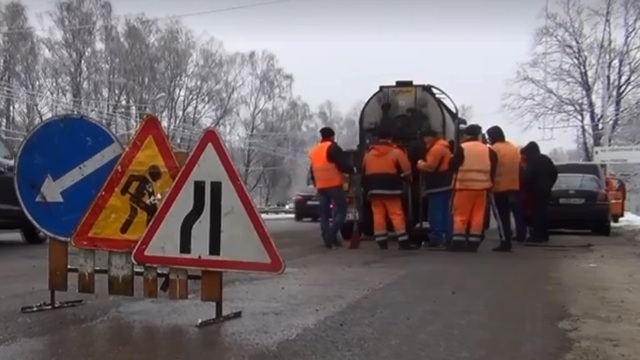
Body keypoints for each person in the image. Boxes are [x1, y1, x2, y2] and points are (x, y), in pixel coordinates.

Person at [362, 128, 418, 250]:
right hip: (392, 189)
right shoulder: (396, 152)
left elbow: (364, 171)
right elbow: (407, 170)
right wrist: (408, 180)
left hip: (373, 190)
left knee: (378, 215)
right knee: (396, 214)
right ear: (390, 139)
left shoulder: (368, 154)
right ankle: (403, 241)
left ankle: (381, 241)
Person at [449, 124, 498, 252]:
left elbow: (453, 165)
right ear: (478, 136)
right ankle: (473, 243)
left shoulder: (462, 148)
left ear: (466, 135)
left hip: (464, 187)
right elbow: (493, 168)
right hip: (482, 188)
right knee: (478, 215)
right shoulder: (488, 150)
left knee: (460, 215)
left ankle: (458, 242)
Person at [308, 127, 355, 249]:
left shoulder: (314, 151)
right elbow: (342, 164)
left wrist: (316, 182)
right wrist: (352, 170)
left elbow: (312, 170)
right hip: (334, 185)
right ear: (332, 136)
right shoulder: (333, 148)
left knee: (324, 214)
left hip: (321, 186)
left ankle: (327, 237)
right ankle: (331, 234)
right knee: (341, 210)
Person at [486, 126, 527, 252]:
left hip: (499, 187)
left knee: (502, 217)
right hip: (514, 186)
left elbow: (490, 168)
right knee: (516, 213)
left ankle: (505, 241)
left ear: (492, 137)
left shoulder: (494, 150)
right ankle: (521, 235)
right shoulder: (513, 148)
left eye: (489, 137)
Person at [416, 129, 453, 249]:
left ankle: (437, 238)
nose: (424, 141)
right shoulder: (443, 147)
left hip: (437, 184)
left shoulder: (436, 148)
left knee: (435, 212)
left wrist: (420, 164)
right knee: (445, 211)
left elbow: (431, 167)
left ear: (429, 137)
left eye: (425, 138)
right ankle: (448, 237)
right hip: (445, 183)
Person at [520, 141, 558, 243]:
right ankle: (544, 235)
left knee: (536, 214)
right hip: (546, 190)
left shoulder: (532, 161)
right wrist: (549, 184)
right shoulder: (546, 159)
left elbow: (528, 176)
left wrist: (524, 184)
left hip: (535, 191)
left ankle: (537, 236)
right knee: (544, 213)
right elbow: (554, 173)